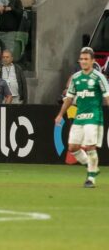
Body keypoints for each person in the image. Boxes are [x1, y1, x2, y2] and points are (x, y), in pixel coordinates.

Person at [55, 47, 109, 188]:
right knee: (73, 147)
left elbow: (107, 97)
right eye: (81, 59)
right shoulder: (76, 78)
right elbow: (69, 98)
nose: (83, 62)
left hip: (94, 116)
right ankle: (92, 167)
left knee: (90, 146)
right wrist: (60, 114)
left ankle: (91, 178)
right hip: (80, 116)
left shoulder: (99, 77)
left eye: (86, 59)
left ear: (92, 61)